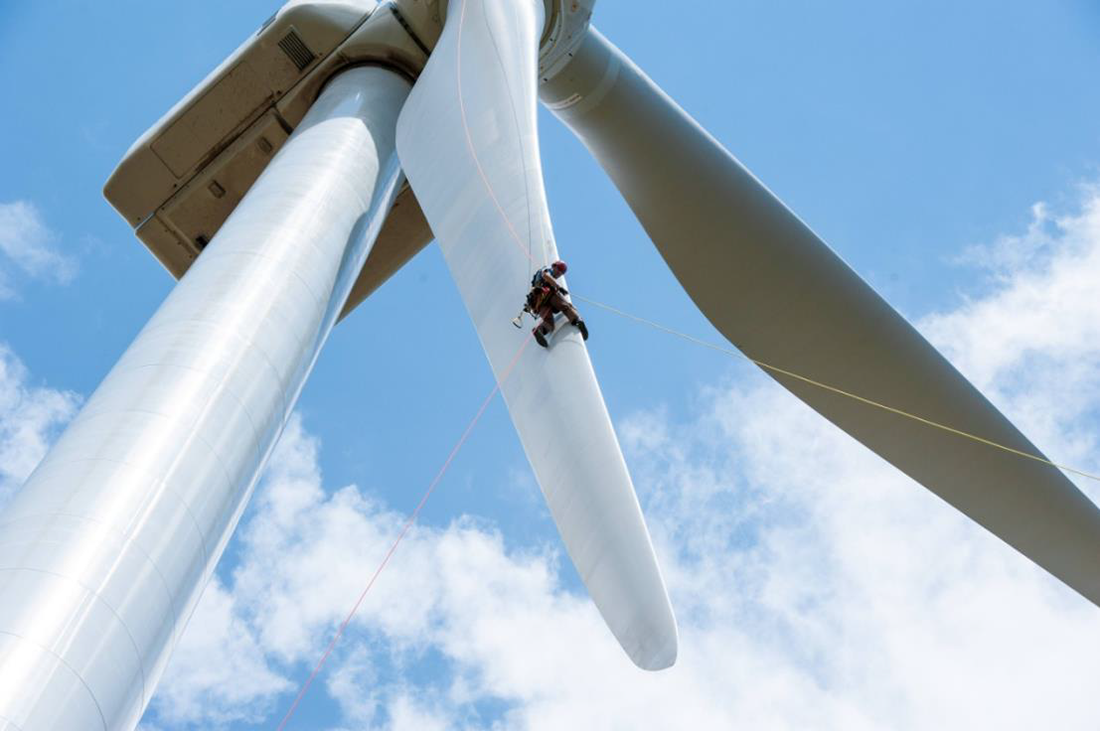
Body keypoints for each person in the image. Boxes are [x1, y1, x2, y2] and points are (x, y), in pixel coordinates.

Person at [528, 260, 588, 347]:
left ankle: (539, 331)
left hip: (538, 303)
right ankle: (577, 320)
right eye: (560, 269)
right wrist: (558, 287)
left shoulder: (543, 277)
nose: (560, 273)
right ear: (554, 266)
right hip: (547, 295)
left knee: (549, 324)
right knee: (566, 307)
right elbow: (546, 276)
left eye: (562, 272)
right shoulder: (547, 270)